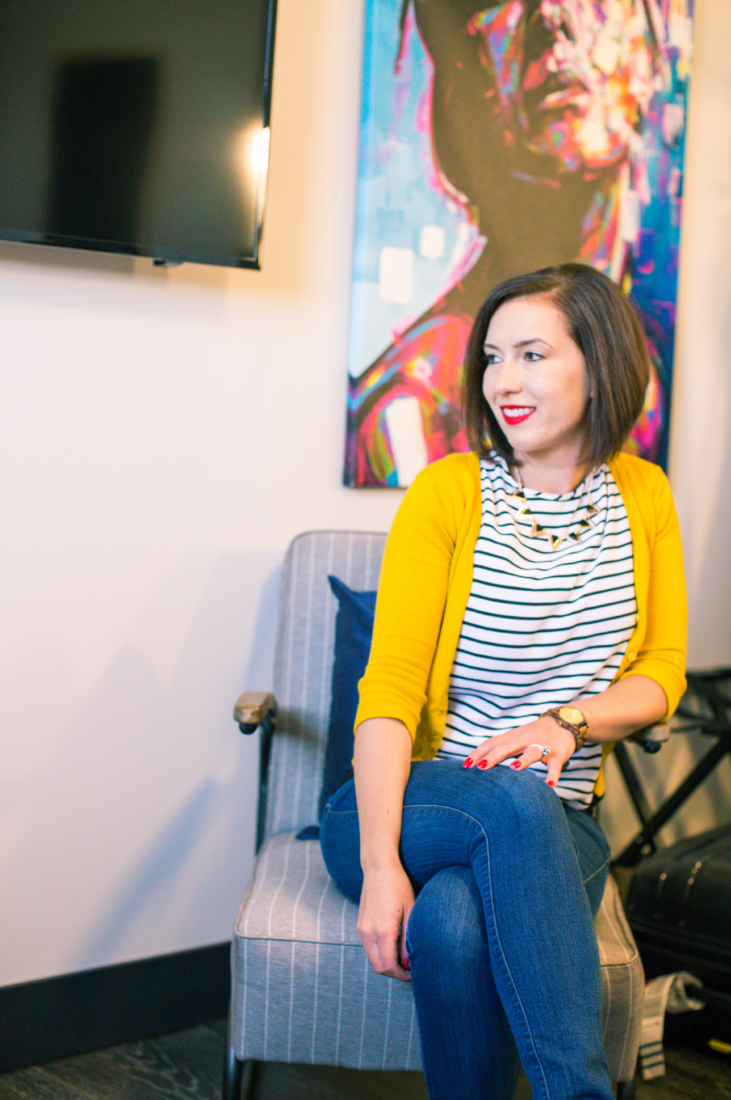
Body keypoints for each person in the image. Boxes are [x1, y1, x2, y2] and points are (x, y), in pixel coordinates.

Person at [323, 264, 686, 1099]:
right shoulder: (447, 492)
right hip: (403, 803)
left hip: (560, 824)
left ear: (598, 365)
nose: (502, 382)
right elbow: (386, 695)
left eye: (530, 354)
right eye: (492, 357)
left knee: (452, 923)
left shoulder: (645, 496)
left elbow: (660, 674)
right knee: (515, 799)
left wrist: (568, 723)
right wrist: (381, 866)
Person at [346, 0, 687, 485]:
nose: (549, 17)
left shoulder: (646, 475)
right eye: (497, 2)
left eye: (532, 355)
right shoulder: (411, 408)